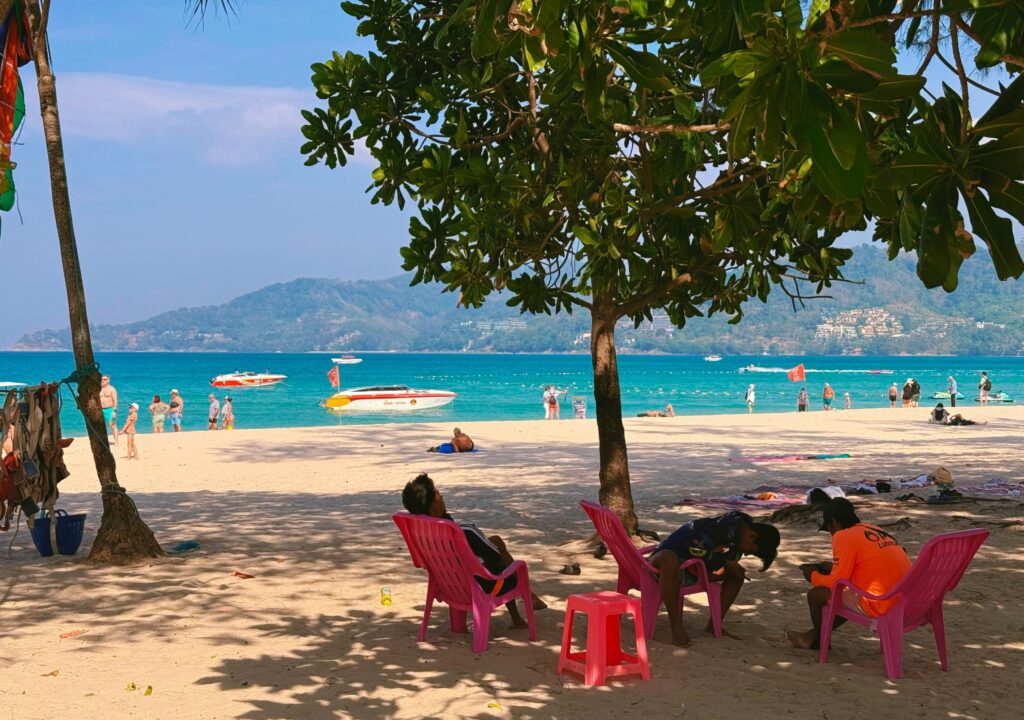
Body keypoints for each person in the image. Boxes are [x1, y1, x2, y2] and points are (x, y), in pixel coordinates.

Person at [401, 473, 546, 628]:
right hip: (482, 587)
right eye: (440, 497)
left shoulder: (424, 534)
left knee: (495, 542)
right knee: (503, 560)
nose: (442, 498)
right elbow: (494, 555)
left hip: (448, 586)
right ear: (435, 509)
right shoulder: (465, 532)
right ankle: (526, 600)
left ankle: (518, 612)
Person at [788, 498, 911, 650]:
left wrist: (812, 575)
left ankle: (819, 641)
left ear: (834, 523)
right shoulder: (873, 529)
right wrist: (833, 567)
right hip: (906, 600)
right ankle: (814, 635)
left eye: (829, 530)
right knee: (843, 596)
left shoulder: (842, 535)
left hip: (881, 603)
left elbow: (836, 583)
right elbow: (865, 566)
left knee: (816, 594)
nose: (831, 534)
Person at [650, 512, 780, 647]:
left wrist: (723, 560)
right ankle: (676, 626)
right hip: (666, 564)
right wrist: (725, 561)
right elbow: (695, 549)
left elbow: (718, 556)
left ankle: (715, 624)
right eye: (750, 549)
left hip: (693, 567)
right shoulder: (722, 530)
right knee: (669, 558)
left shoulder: (739, 528)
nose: (746, 553)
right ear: (752, 536)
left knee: (737, 574)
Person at [99, 374, 119, 445]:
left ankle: (116, 442)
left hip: (109, 409)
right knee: (100, 426)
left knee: (113, 425)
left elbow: (115, 400)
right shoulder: (98, 388)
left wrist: (114, 410)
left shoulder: (112, 389)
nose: (103, 381)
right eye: (102, 379)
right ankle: (102, 441)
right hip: (100, 409)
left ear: (108, 380)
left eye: (105, 379)